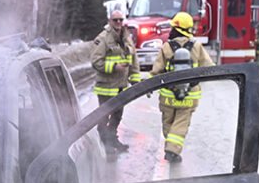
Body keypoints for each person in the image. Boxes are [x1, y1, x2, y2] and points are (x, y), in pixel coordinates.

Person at [151, 12, 214, 163]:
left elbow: (156, 71)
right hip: (189, 96)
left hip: (168, 96)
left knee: (168, 123)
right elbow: (209, 67)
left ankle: (170, 148)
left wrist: (148, 87)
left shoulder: (166, 47)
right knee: (181, 124)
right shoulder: (196, 46)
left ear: (175, 29)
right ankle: (172, 150)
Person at [89, 8, 141, 155]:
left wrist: (135, 80)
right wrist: (114, 67)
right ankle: (105, 142)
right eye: (115, 20)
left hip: (120, 86)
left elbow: (133, 60)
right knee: (104, 116)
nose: (118, 22)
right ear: (110, 21)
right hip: (106, 87)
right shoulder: (103, 38)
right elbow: (96, 61)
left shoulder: (126, 38)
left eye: (120, 20)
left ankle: (112, 139)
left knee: (117, 115)